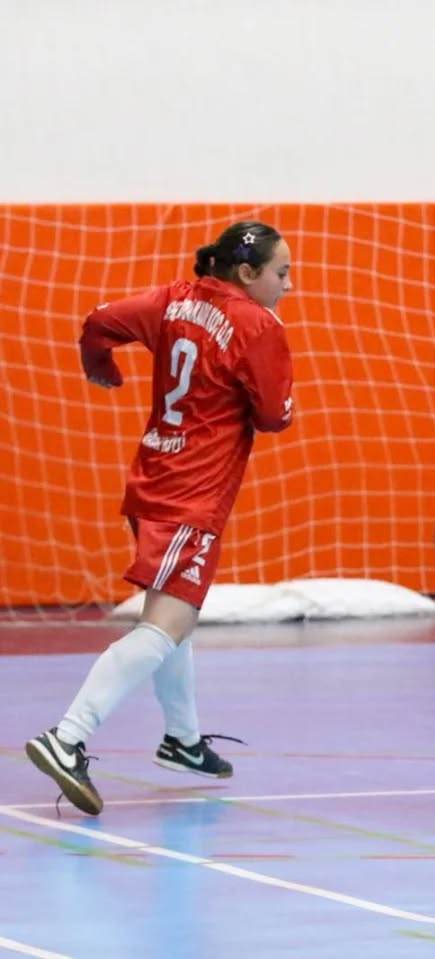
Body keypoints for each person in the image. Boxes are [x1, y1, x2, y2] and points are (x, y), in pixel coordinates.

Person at [25, 221, 296, 816]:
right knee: (165, 626)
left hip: (151, 477)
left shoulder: (173, 298)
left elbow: (98, 321)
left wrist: (101, 367)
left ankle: (182, 739)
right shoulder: (257, 325)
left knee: (176, 614)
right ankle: (67, 737)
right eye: (282, 272)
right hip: (190, 498)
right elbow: (276, 416)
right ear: (247, 274)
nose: (289, 285)